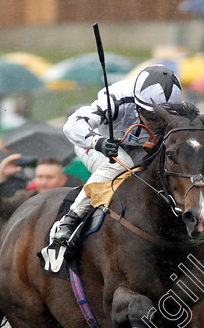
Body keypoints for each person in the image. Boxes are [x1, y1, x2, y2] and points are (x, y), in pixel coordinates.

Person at [51, 65, 183, 245]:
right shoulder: (117, 99)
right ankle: (70, 220)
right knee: (121, 163)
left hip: (138, 150)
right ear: (138, 106)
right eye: (153, 118)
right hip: (95, 144)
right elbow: (73, 124)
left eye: (164, 118)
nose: (156, 125)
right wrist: (98, 142)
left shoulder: (178, 108)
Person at [0, 155, 82, 222]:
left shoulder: (74, 202)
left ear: (62, 179)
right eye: (40, 177)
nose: (43, 182)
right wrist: (0, 176)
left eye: (49, 177)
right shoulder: (25, 199)